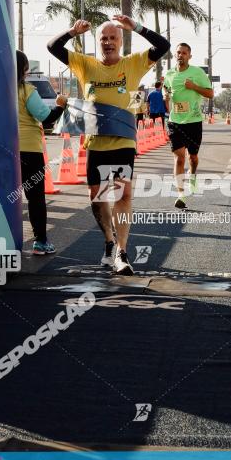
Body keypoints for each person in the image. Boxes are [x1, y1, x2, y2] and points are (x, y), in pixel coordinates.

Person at [48, 15, 169, 275]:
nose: (108, 42)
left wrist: (136, 27)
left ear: (121, 41)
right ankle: (109, 242)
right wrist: (72, 32)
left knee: (123, 195)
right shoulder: (85, 65)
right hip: (95, 143)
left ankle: (122, 252)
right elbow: (53, 48)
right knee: (97, 197)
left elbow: (163, 46)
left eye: (113, 37)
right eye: (104, 38)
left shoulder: (134, 63)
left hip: (124, 141)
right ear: (97, 42)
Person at [17, 50, 67, 255]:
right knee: (35, 198)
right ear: (24, 69)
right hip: (29, 152)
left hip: (4, 152)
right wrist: (60, 106)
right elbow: (46, 118)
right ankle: (40, 242)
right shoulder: (27, 90)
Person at [163, 43, 214, 209]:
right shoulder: (169, 74)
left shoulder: (197, 73)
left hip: (193, 122)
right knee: (179, 158)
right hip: (175, 121)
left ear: (189, 56)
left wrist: (193, 87)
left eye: (184, 53)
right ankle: (181, 195)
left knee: (193, 157)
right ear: (175, 55)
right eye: (178, 52)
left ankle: (192, 175)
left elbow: (210, 93)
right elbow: (166, 91)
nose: (180, 55)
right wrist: (166, 96)